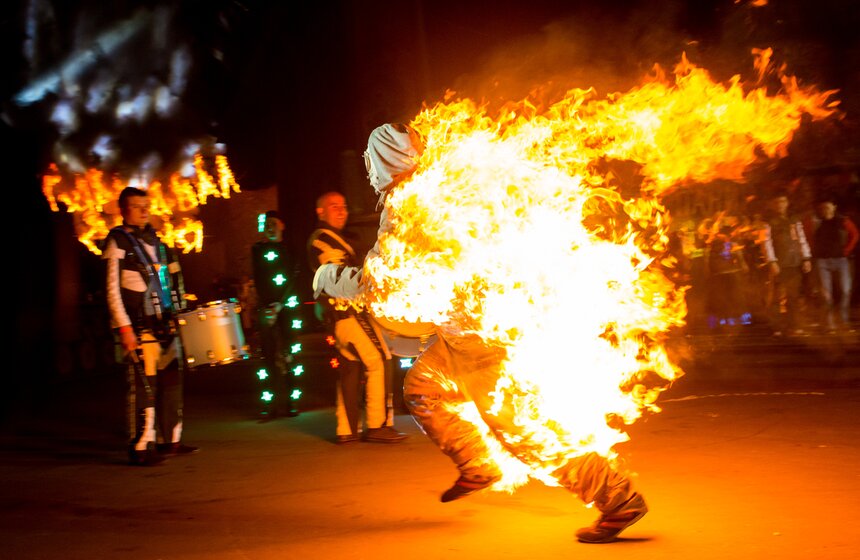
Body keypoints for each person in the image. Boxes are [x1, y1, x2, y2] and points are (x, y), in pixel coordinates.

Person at [313, 123, 648, 544]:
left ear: (385, 160)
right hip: (465, 331)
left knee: (526, 433)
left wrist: (331, 277)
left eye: (369, 160)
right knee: (422, 388)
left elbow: (379, 284)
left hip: (484, 337)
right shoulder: (434, 188)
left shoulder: (407, 206)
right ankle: (477, 464)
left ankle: (618, 499)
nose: (366, 170)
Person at [103, 186, 198, 466]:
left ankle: (171, 441)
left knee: (171, 383)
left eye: (147, 205)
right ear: (124, 210)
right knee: (144, 387)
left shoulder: (157, 241)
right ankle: (141, 447)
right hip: (139, 327)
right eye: (137, 206)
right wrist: (125, 329)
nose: (144, 211)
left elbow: (169, 283)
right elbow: (111, 291)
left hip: (165, 325)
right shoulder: (116, 241)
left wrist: (179, 314)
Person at [307, 191, 406, 443]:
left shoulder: (337, 239)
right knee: (380, 360)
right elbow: (341, 277)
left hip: (343, 318)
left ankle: (346, 430)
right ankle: (377, 425)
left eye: (344, 205)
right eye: (334, 206)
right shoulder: (323, 240)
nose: (341, 210)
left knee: (350, 370)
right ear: (320, 211)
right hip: (348, 315)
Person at [251, 211, 302, 418]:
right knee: (267, 358)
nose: (270, 227)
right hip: (267, 310)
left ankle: (292, 402)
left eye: (273, 223)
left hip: (288, 308)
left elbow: (294, 278)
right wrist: (267, 307)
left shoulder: (290, 249)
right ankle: (268, 405)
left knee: (291, 356)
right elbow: (259, 279)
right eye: (266, 224)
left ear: (282, 225)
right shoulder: (258, 250)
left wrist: (281, 305)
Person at [804, 194, 859, 333]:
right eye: (822, 208)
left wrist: (846, 251)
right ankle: (829, 324)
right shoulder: (815, 221)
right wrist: (812, 252)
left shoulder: (842, 220)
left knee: (845, 290)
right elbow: (806, 236)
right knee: (826, 294)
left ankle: (843, 321)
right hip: (822, 261)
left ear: (834, 207)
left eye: (828, 207)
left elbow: (855, 234)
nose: (825, 210)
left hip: (841, 260)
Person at [762, 190, 812, 336]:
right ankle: (777, 327)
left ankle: (794, 325)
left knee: (793, 296)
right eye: (777, 202)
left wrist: (806, 258)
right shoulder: (768, 222)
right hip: (779, 264)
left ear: (787, 203)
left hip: (794, 262)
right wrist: (772, 261)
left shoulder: (794, 220)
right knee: (777, 297)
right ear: (772, 205)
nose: (780, 205)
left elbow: (801, 239)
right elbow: (766, 243)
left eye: (783, 201)